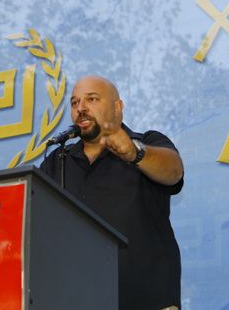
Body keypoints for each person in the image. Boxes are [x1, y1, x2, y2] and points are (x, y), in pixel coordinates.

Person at [40, 75, 184, 310]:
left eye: (92, 99)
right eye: (75, 103)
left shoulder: (147, 142)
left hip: (146, 299)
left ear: (117, 107)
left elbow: (174, 171)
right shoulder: (58, 161)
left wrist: (135, 154)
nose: (81, 109)